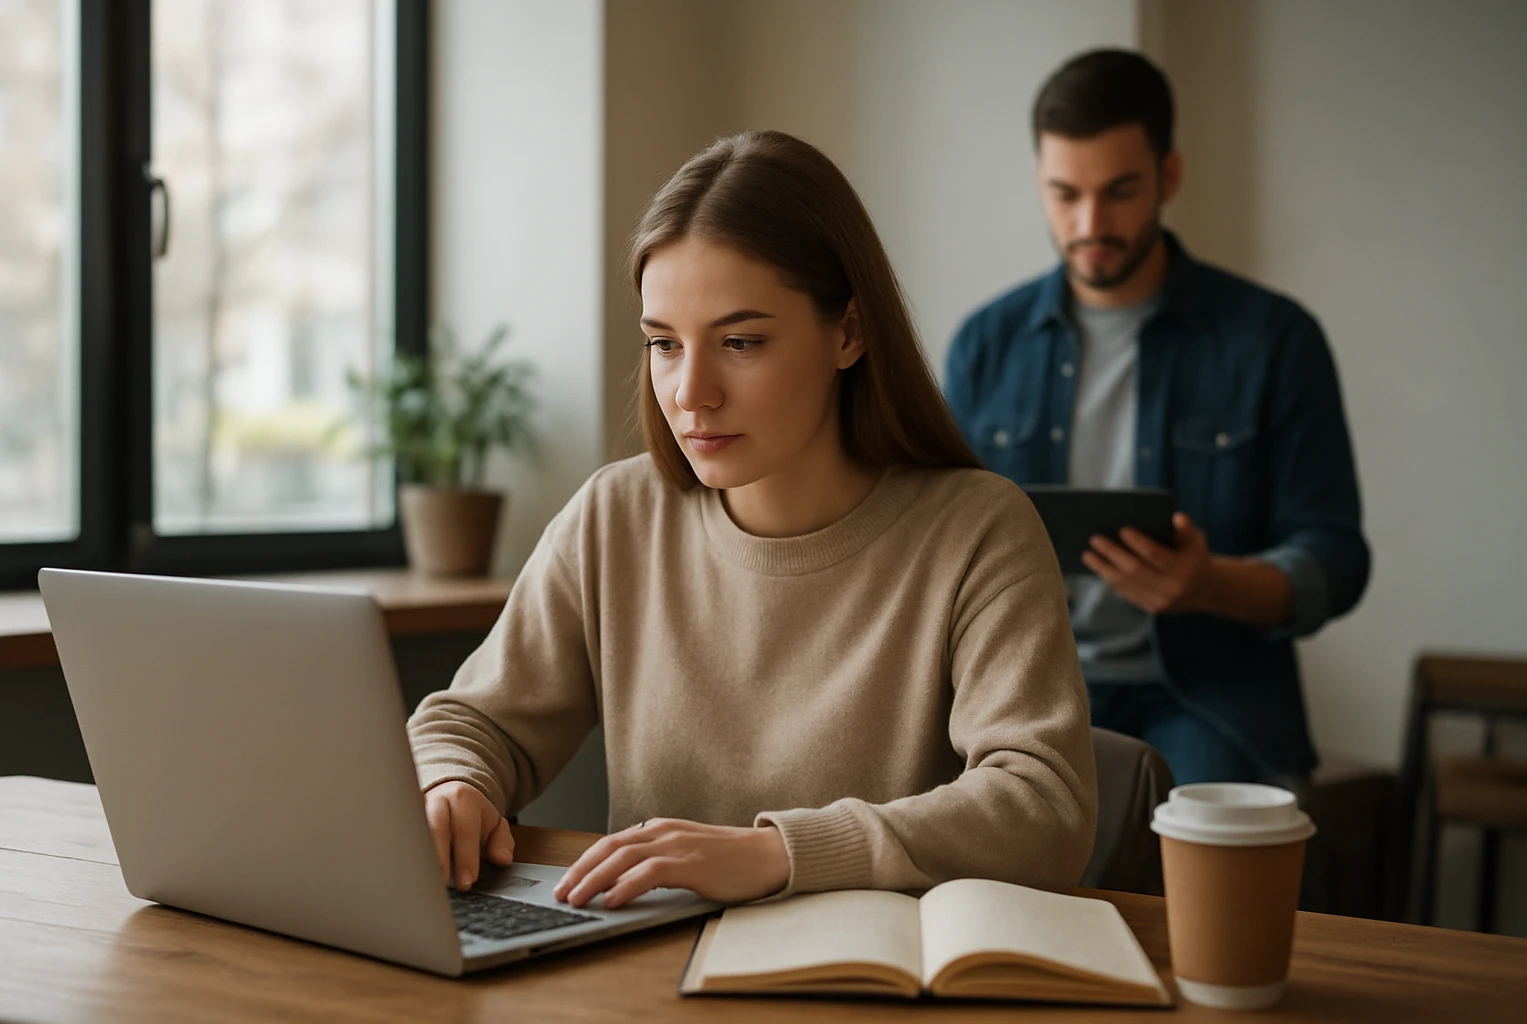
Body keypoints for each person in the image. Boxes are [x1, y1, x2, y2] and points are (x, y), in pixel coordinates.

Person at [408, 130, 1096, 911]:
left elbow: (1045, 809)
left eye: (740, 341)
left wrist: (781, 853)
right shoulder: (615, 516)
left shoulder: (978, 529)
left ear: (848, 332)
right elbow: (472, 723)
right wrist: (453, 782)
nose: (691, 393)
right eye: (663, 344)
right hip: (646, 974)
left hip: (869, 983)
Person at [945, 50, 1369, 788]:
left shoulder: (1274, 339)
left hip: (1212, 699)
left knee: (1207, 874)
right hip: (1028, 694)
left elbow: (1335, 555)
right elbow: (940, 538)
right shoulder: (985, 344)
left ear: (1168, 177)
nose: (1089, 224)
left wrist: (1212, 584)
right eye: (1063, 194)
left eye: (1119, 192)